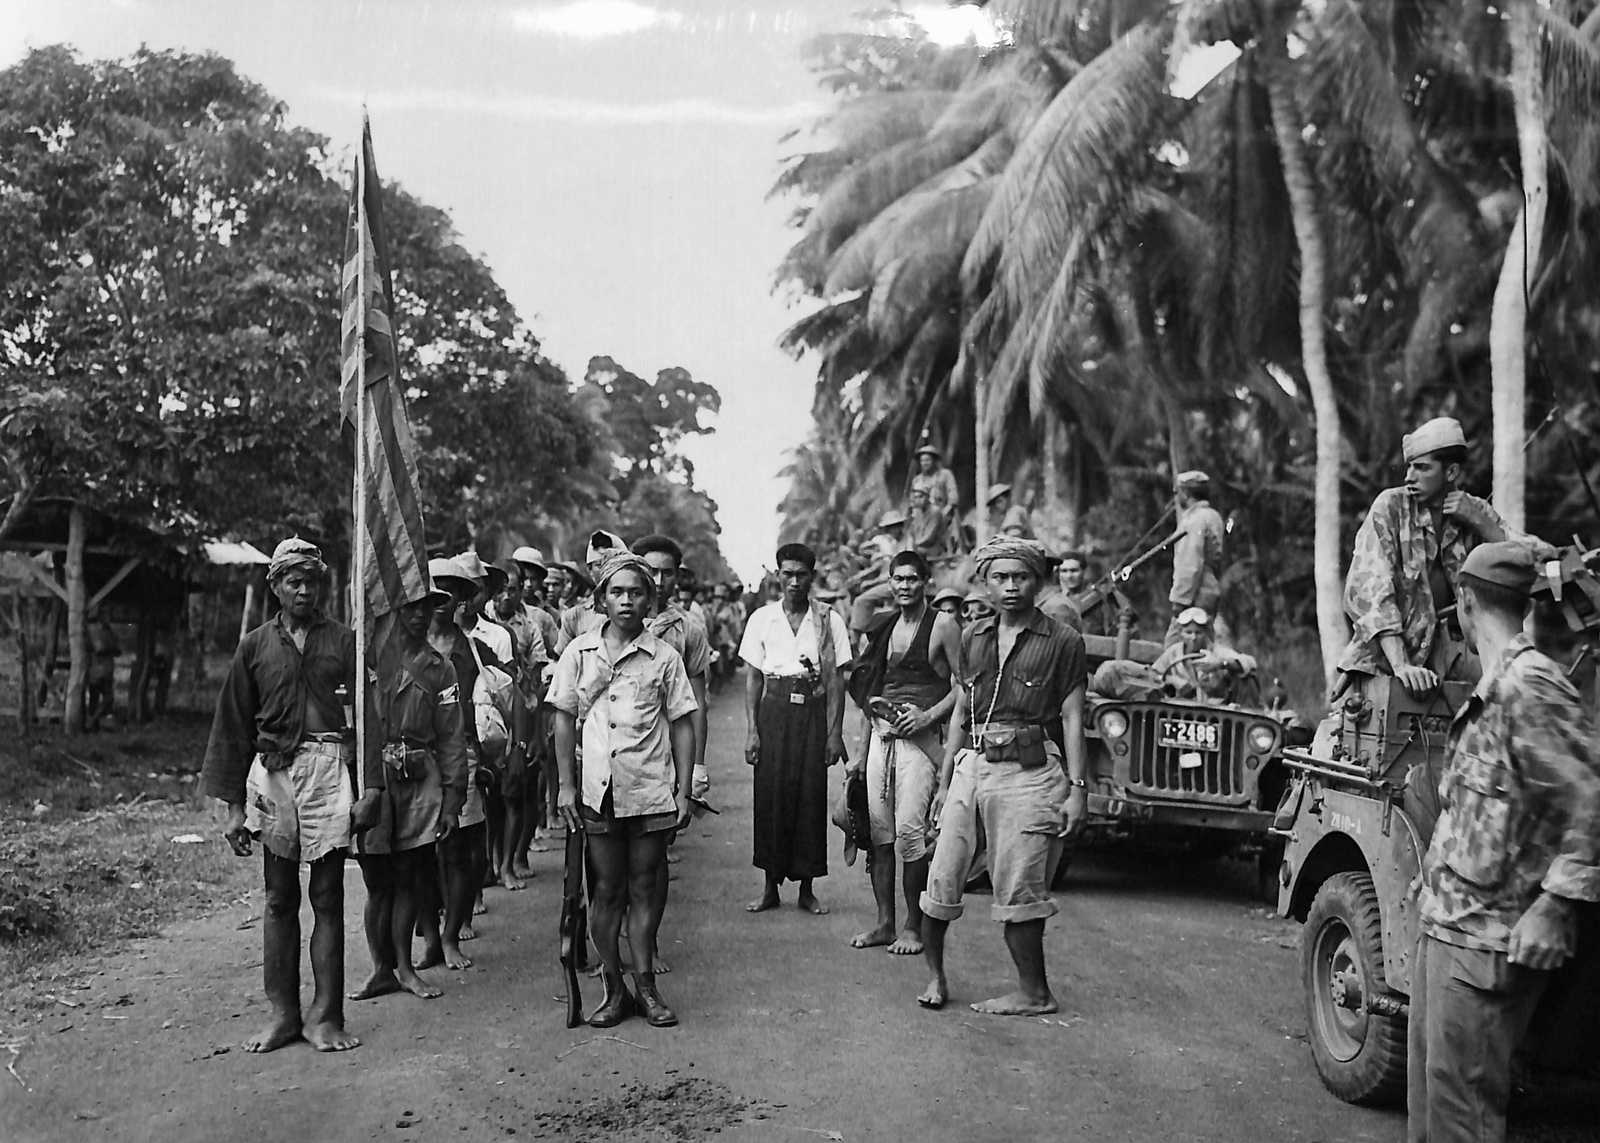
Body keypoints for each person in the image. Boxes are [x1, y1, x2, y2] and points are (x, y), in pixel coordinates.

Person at [1406, 541, 1600, 1143]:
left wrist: (1557, 905)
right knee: (1433, 1107)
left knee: (1463, 1118)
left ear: (1463, 602)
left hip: (1488, 943)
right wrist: (1431, 873)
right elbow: (1477, 808)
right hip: (1447, 925)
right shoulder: (1495, 685)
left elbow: (1590, 794)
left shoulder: (1531, 684)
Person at [202, 538, 381, 1053]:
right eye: (292, 580)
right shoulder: (255, 646)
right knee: (280, 898)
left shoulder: (345, 642)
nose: (303, 589)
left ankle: (326, 1016)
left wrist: (370, 788)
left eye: (311, 580)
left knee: (328, 896)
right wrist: (235, 808)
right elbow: (232, 727)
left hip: (328, 770)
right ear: (276, 586)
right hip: (274, 774)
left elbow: (369, 720)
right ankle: (283, 1013)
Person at [918, 535, 1088, 1016]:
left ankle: (1034, 992)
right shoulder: (973, 636)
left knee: (1020, 883)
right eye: (1000, 577)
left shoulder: (1063, 641)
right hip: (973, 762)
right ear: (986, 583)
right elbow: (960, 710)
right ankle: (935, 976)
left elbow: (1074, 715)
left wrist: (1078, 790)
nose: (1011, 586)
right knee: (943, 871)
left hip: (1030, 770)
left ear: (1038, 581)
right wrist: (946, 775)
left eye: (1021, 577)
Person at [550, 551, 698, 1028]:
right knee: (606, 891)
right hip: (598, 792)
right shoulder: (579, 653)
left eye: (636, 592)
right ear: (601, 599)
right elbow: (562, 720)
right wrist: (566, 787)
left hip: (650, 788)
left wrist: (684, 789)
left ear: (648, 599)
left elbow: (682, 724)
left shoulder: (664, 657)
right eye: (617, 592)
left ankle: (647, 987)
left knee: (646, 888)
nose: (627, 601)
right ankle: (614, 987)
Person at [349, 585, 469, 1004]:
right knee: (376, 879)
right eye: (410, 607)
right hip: (374, 777)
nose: (418, 615)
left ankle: (405, 967)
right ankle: (380, 968)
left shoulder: (440, 669)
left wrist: (454, 797)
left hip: (419, 779)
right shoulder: (370, 657)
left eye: (426, 607)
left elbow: (452, 735)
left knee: (411, 876)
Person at [1338, 417, 1511, 699]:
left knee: (1506, 699)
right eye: (1409, 466)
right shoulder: (1391, 506)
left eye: (1421, 468)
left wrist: (1483, 524)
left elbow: (1524, 562)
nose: (1409, 476)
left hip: (1454, 657)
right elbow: (1370, 587)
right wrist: (1401, 665)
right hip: (1387, 657)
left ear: (1451, 472)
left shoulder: (1475, 511)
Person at [847, 551, 960, 956]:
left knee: (911, 834)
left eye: (913, 579)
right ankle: (884, 923)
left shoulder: (943, 625)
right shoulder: (883, 627)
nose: (905, 586)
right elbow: (867, 693)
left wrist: (927, 715)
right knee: (879, 834)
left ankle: (912, 927)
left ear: (926, 582)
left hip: (920, 742)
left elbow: (965, 690)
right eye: (898, 579)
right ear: (890, 582)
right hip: (881, 738)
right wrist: (860, 754)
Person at [740, 542, 853, 915]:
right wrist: (752, 730)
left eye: (801, 575)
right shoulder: (761, 619)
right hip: (773, 712)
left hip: (811, 714)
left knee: (809, 796)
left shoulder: (827, 619)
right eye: (787, 574)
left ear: (812, 577)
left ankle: (807, 888)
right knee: (770, 795)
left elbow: (837, 681)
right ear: (777, 575)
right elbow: (753, 678)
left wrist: (834, 733)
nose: (793, 581)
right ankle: (770, 886)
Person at [419, 556, 501, 970]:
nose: (442, 598)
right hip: (415, 756)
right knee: (418, 852)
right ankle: (430, 935)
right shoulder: (405, 646)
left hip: (462, 753)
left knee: (461, 852)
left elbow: (496, 701)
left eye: (453, 590)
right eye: (436, 587)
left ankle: (451, 935)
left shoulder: (476, 650)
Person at [1092, 607, 1256, 701]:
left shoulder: (1217, 652)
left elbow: (1249, 663)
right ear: (1181, 634)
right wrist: (1173, 681)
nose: (1193, 637)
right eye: (1188, 632)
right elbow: (1153, 675)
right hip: (1180, 710)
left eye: (1198, 633)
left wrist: (1220, 664)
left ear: (1206, 633)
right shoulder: (1174, 653)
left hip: (1215, 710)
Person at [1167, 471, 1226, 645]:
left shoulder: (1195, 520)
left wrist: (1180, 600)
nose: (1177, 497)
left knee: (1174, 649)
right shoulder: (1213, 516)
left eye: (1177, 492)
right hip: (1210, 590)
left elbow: (1190, 562)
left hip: (1195, 593)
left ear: (1186, 493)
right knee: (1203, 645)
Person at [86, 610, 118, 730]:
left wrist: (113, 650)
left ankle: (93, 722)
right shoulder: (94, 631)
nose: (108, 619)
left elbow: (115, 647)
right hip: (97, 670)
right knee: (99, 698)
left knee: (106, 698)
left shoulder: (109, 632)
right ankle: (92, 722)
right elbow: (98, 649)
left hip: (107, 670)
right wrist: (110, 650)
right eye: (106, 617)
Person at [910, 443, 960, 516]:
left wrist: (944, 512)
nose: (925, 463)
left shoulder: (945, 474)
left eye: (927, 460)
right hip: (923, 517)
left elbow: (953, 497)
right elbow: (913, 501)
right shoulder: (917, 479)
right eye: (922, 461)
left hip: (944, 514)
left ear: (934, 461)